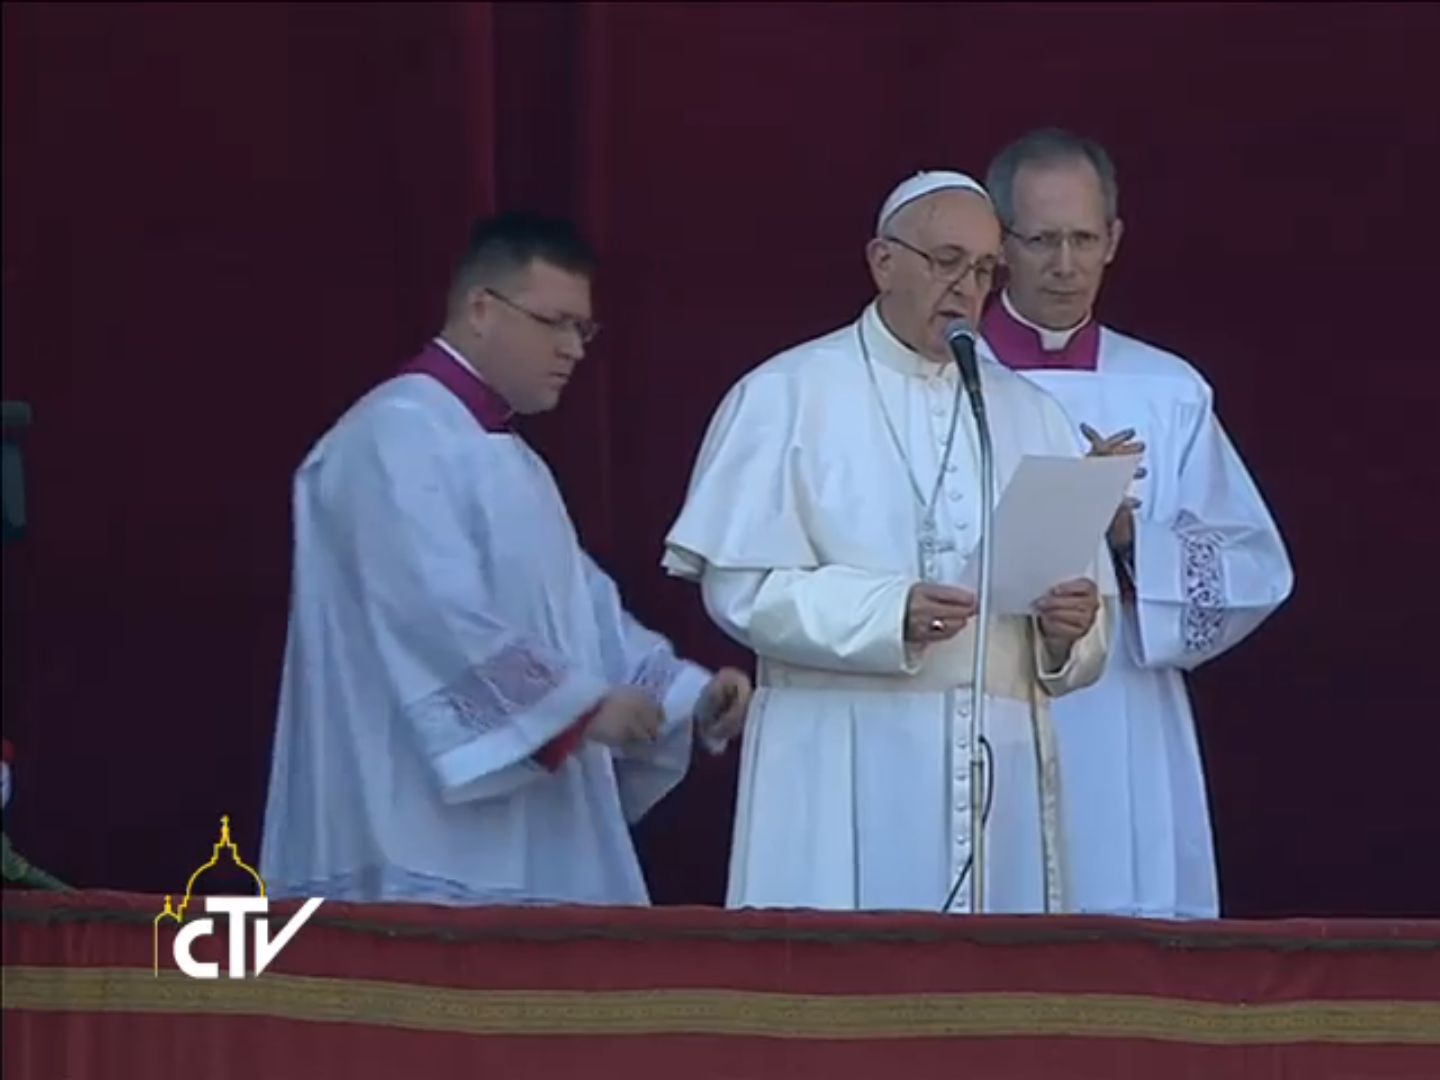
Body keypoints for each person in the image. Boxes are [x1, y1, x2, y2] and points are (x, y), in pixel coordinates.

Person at [262, 211, 753, 906]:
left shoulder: (512, 459)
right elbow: (430, 617)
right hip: (414, 821)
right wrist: (578, 710)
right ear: (480, 308)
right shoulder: (391, 437)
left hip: (523, 818)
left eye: (583, 329)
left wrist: (685, 695)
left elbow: (582, 614)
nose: (573, 349)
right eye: (554, 322)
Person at [662, 170, 1113, 914]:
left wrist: (1069, 633)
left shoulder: (1033, 414)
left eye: (984, 270)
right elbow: (740, 589)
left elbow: (1087, 614)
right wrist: (887, 612)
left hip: (996, 771)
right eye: (946, 261)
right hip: (840, 757)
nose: (967, 287)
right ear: (883, 261)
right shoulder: (786, 394)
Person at [977, 128, 1295, 919]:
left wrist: (1127, 540)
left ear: (1113, 240)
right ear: (1000, 243)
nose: (1065, 264)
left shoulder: (1166, 389)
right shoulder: (945, 378)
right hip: (982, 693)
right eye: (1041, 240)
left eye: (1084, 239)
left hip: (1118, 703)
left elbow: (1255, 569)